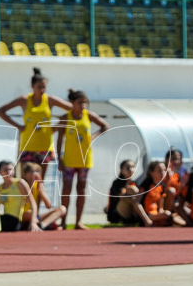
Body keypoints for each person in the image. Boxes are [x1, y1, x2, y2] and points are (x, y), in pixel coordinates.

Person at [0, 67, 74, 179]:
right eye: (39, 87)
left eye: (44, 87)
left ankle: (38, 197)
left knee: (39, 181)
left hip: (44, 145)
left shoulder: (49, 100)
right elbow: (0, 111)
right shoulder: (24, 100)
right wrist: (18, 126)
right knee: (25, 181)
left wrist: (56, 126)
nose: (42, 90)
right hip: (28, 145)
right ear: (32, 87)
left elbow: (72, 109)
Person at [56, 89, 109, 229]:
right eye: (80, 102)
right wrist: (59, 159)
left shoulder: (88, 116)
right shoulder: (65, 118)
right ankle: (63, 222)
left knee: (82, 189)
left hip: (84, 160)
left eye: (85, 102)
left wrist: (93, 137)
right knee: (66, 189)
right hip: (69, 159)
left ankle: (78, 221)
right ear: (72, 103)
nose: (83, 105)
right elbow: (59, 140)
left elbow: (105, 125)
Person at [133, 160, 185, 227]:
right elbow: (137, 203)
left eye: (164, 170)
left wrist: (161, 213)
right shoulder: (146, 184)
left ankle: (189, 224)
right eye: (159, 171)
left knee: (173, 216)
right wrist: (146, 220)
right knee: (168, 214)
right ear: (151, 172)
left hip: (156, 214)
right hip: (146, 215)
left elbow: (161, 207)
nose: (163, 173)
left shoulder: (161, 185)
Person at [0, 160, 40, 232]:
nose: (8, 172)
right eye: (5, 170)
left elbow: (33, 204)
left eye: (10, 169)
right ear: (0, 172)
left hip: (16, 219)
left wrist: (33, 223)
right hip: (5, 218)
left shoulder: (19, 183)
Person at [21, 162, 65, 229]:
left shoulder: (38, 185)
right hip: (24, 214)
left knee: (62, 209)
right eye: (32, 171)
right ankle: (49, 226)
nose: (35, 174)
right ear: (25, 174)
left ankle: (42, 225)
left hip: (36, 216)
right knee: (30, 213)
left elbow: (48, 205)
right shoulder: (21, 185)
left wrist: (41, 192)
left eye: (37, 171)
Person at [106, 160, 141, 226]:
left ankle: (138, 218)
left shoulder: (135, 182)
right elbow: (121, 196)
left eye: (133, 167)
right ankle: (141, 218)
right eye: (127, 168)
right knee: (133, 192)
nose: (131, 169)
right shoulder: (117, 182)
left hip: (130, 211)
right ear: (121, 170)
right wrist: (135, 202)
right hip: (116, 212)